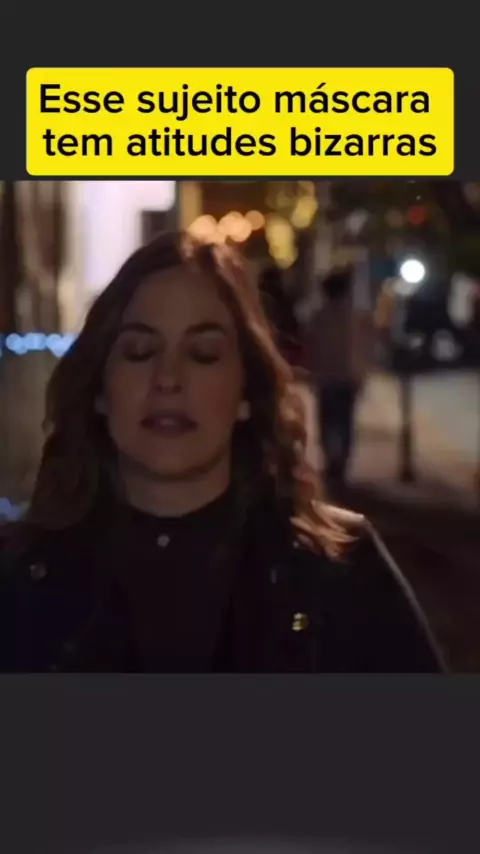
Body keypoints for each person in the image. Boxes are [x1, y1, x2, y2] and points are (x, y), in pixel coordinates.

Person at [0, 232, 444, 673]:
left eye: (203, 354)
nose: (168, 379)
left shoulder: (342, 570)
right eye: (140, 352)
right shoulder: (20, 576)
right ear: (99, 387)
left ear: (246, 392)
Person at [304, 258, 374, 489]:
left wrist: (310, 372)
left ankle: (331, 461)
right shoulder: (356, 316)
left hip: (325, 378)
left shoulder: (317, 316)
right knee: (345, 422)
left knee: (327, 421)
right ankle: (341, 464)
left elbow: (310, 347)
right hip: (347, 378)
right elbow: (366, 348)